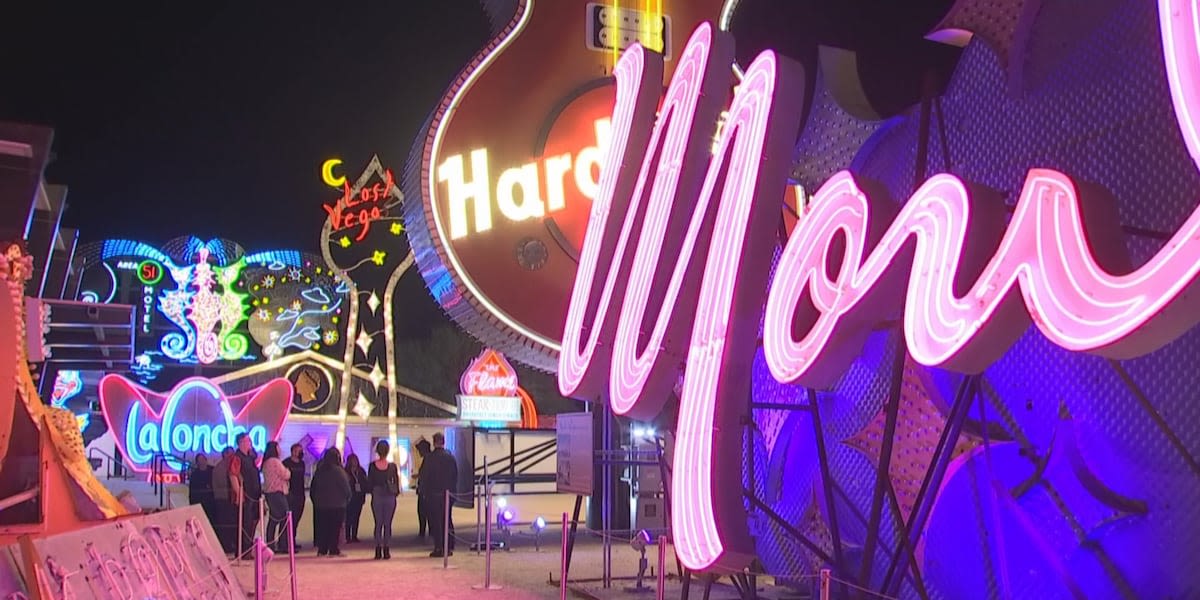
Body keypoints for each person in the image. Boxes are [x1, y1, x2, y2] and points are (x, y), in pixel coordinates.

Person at [310, 447, 350, 556]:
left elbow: (313, 488)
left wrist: (316, 501)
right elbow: (346, 488)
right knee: (335, 528)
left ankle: (322, 549)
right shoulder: (339, 471)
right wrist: (347, 499)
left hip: (321, 505)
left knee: (323, 527)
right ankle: (333, 549)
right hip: (337, 505)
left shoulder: (319, 471)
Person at [423, 432, 458, 558]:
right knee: (447, 519)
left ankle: (438, 547)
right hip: (448, 494)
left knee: (435, 521)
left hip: (433, 494)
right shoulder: (450, 457)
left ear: (434, 442)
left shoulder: (429, 458)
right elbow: (455, 476)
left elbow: (425, 476)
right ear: (443, 442)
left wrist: (424, 492)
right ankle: (449, 546)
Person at [228, 433, 262, 558]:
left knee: (253, 521)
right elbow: (233, 475)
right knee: (244, 523)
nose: (250, 443)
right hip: (245, 496)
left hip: (254, 495)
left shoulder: (250, 457)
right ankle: (243, 550)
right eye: (248, 440)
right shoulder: (237, 457)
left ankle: (248, 548)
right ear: (241, 442)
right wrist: (239, 493)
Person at [367, 440, 400, 560]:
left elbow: (369, 483)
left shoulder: (372, 466)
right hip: (389, 496)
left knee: (378, 523)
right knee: (387, 524)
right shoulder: (392, 466)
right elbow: (396, 482)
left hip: (377, 495)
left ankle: (378, 549)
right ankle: (386, 549)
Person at [261, 441, 291, 552]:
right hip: (277, 492)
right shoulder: (275, 461)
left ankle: (271, 544)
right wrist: (288, 470)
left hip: (270, 493)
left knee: (274, 518)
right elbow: (286, 474)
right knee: (284, 518)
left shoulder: (266, 462)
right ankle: (282, 544)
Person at [211, 447, 236, 554]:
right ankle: (225, 545)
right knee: (224, 523)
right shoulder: (220, 468)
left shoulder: (232, 467)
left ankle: (231, 543)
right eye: (230, 454)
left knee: (232, 523)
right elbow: (223, 485)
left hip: (230, 500)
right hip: (222, 499)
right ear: (225, 455)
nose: (232, 456)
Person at [281, 443, 307, 549]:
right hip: (290, 494)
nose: (299, 453)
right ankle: (286, 542)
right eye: (297, 450)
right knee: (289, 519)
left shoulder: (302, 463)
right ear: (292, 451)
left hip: (300, 493)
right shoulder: (286, 463)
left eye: (301, 451)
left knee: (296, 518)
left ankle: (293, 540)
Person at [344, 453, 368, 544]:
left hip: (359, 497)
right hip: (350, 498)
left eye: (355, 460)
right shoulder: (346, 471)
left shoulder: (361, 471)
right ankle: (347, 536)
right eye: (352, 461)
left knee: (356, 517)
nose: (354, 462)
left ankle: (354, 535)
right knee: (348, 517)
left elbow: (365, 482)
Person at [412, 438, 431, 539]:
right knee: (423, 512)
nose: (418, 452)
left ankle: (423, 531)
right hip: (424, 490)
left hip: (425, 492)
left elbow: (426, 475)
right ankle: (424, 531)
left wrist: (419, 476)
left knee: (423, 512)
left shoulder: (428, 459)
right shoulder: (428, 459)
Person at [188, 454, 215, 522]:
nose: (202, 461)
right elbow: (192, 492)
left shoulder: (213, 471)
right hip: (200, 502)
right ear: (197, 463)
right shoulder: (195, 475)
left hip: (212, 502)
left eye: (203, 459)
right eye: (200, 460)